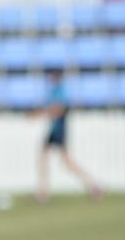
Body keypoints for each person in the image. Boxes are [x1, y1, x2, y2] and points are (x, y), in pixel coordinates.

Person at [32, 70, 102, 203]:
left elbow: (59, 109)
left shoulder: (61, 91)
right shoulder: (53, 91)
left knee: (67, 162)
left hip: (59, 129)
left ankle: (93, 185)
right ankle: (43, 193)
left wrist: (40, 113)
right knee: (43, 158)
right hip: (53, 129)